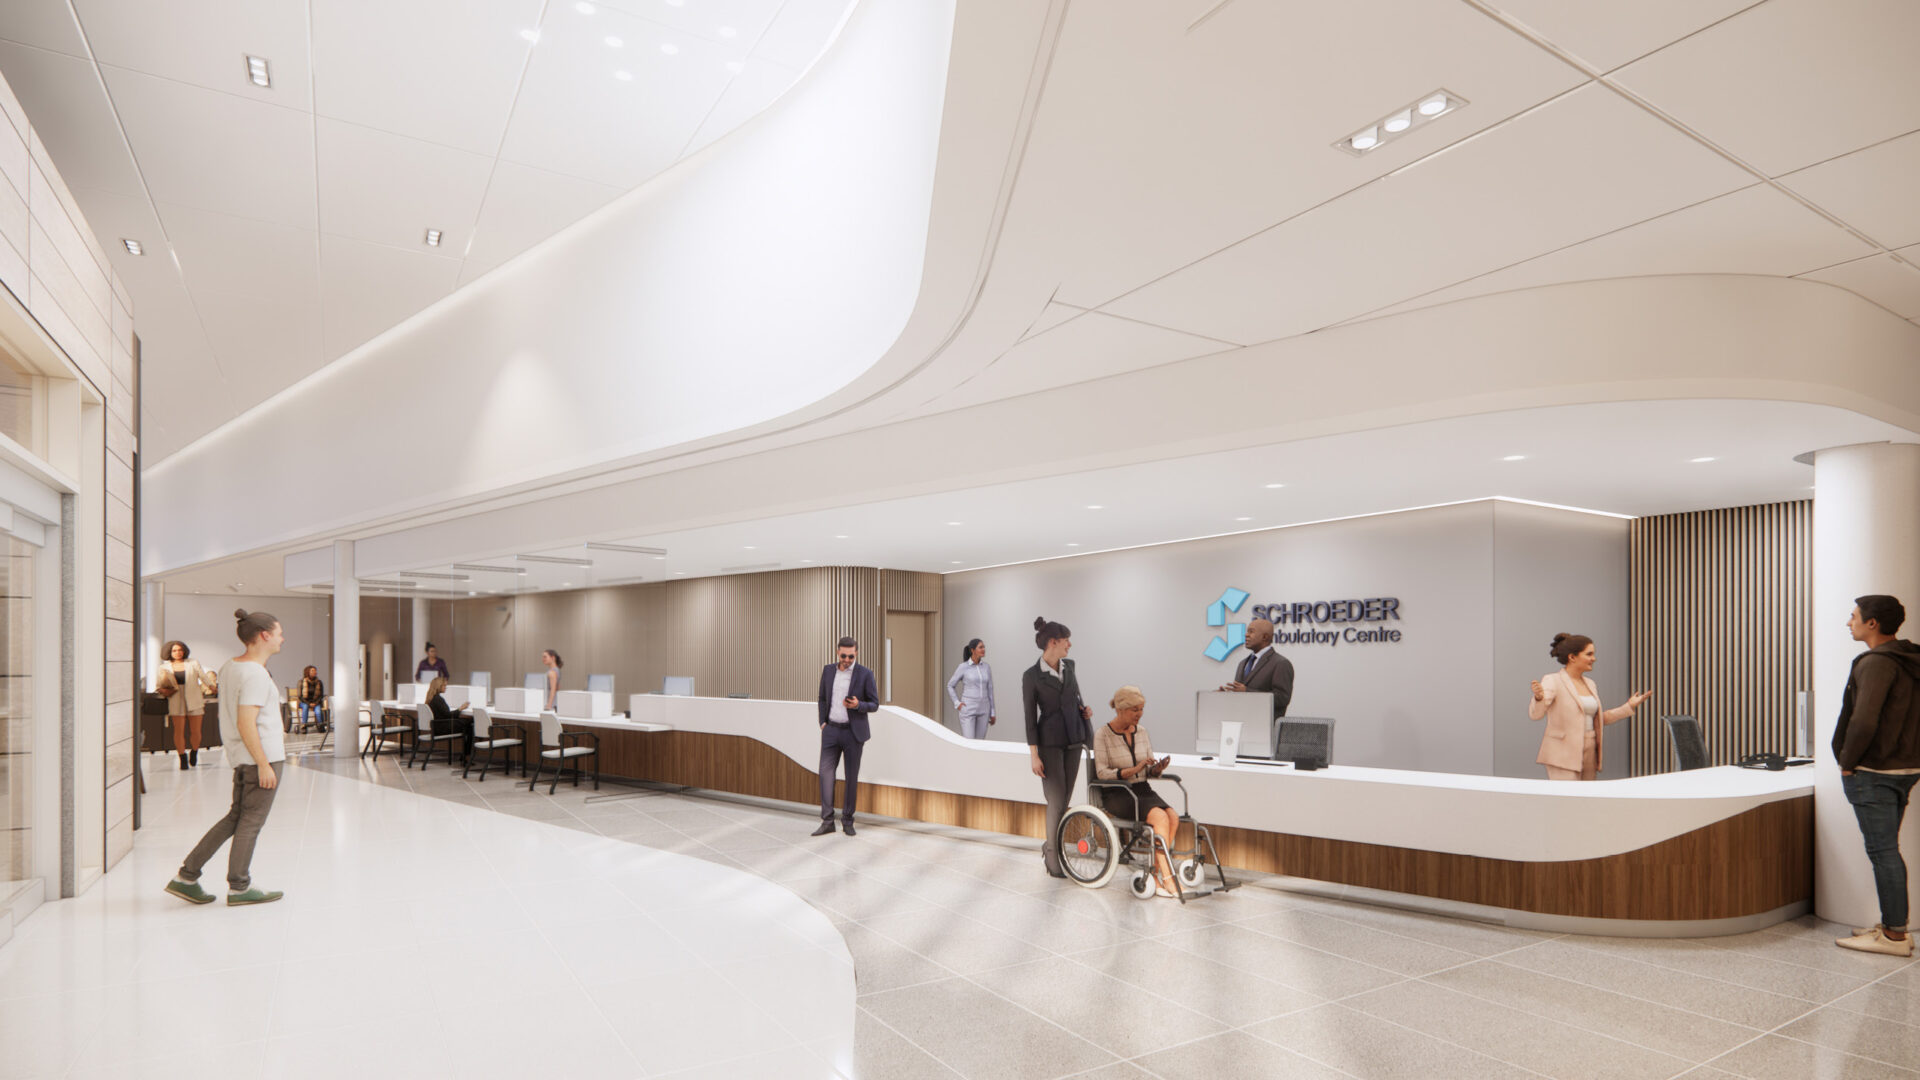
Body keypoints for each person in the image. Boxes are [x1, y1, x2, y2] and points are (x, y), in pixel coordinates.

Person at [163, 609, 288, 907]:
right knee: (251, 822)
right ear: (264, 635)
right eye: (279, 632)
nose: (283, 638)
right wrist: (262, 764)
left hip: (241, 756)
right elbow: (247, 721)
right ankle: (240, 886)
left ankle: (186, 876)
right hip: (260, 757)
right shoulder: (255, 673)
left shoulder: (231, 667)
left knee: (236, 817)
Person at [1833, 594, 1920, 958]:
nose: (1848, 622)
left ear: (1872, 623)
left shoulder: (1875, 663)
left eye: (1853, 617)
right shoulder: (1909, 660)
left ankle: (1894, 935)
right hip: (1904, 769)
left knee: (1883, 852)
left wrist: (1847, 762)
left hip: (1873, 771)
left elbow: (1864, 719)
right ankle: (1891, 926)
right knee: (1888, 850)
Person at [1092, 686, 1179, 897]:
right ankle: (1168, 879)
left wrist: (1156, 769)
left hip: (1142, 789)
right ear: (1120, 709)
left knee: (1173, 817)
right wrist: (1135, 769)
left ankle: (1158, 874)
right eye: (1134, 710)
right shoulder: (1103, 734)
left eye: (1141, 709)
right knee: (1160, 817)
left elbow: (1147, 769)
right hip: (1118, 792)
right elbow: (1102, 773)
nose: (1139, 714)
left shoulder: (1142, 732)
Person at [1528, 633, 1651, 781]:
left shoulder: (1590, 684)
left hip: (1590, 751)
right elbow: (1535, 715)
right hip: (1562, 754)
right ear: (1572, 657)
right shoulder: (1553, 680)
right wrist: (1539, 698)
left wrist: (1628, 706)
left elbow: (1598, 720)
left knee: (1586, 799)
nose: (1594, 658)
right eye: (1589, 654)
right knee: (1568, 800)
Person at [1023, 616, 1092, 878]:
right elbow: (1030, 718)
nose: (1069, 645)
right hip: (1049, 744)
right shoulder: (1031, 676)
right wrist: (1034, 755)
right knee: (1055, 801)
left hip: (1074, 739)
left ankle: (1051, 845)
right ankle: (1053, 857)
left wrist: (1083, 711)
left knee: (1064, 801)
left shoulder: (1070, 666)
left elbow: (1073, 698)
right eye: (1066, 641)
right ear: (1053, 642)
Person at [815, 637, 878, 836]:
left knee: (851, 778)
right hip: (831, 730)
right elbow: (822, 698)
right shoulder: (828, 670)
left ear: (856, 653)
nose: (847, 659)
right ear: (837, 652)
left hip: (853, 732)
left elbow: (874, 704)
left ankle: (848, 821)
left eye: (851, 656)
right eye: (844, 655)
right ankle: (827, 821)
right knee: (825, 775)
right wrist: (822, 723)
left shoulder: (865, 674)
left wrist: (858, 705)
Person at [1218, 618, 1295, 718]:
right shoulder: (1243, 663)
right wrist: (1227, 695)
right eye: (1247, 631)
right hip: (1242, 724)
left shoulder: (1281, 663)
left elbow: (1282, 698)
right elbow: (1241, 695)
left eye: (1251, 632)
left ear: (1265, 637)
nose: (1246, 635)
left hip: (1265, 727)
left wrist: (1247, 691)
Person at [157, 640, 212, 770]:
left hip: (194, 699)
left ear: (184, 651)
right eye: (174, 650)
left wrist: (211, 686)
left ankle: (194, 751)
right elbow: (159, 686)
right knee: (178, 731)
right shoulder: (163, 667)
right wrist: (163, 690)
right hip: (176, 700)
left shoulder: (193, 663)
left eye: (180, 650)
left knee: (196, 731)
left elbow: (203, 677)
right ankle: (182, 758)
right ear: (169, 652)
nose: (178, 653)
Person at [947, 638, 997, 739]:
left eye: (984, 647)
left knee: (979, 744)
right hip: (968, 708)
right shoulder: (963, 667)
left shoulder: (986, 667)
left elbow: (990, 690)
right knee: (969, 744)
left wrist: (992, 711)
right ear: (972, 650)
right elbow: (950, 685)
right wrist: (957, 703)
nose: (983, 649)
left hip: (984, 709)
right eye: (980, 647)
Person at [296, 665, 326, 731]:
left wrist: (315, 703)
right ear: (307, 672)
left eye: (315, 671)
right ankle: (304, 726)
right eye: (313, 671)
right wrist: (309, 703)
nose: (315, 672)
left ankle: (320, 725)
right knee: (306, 707)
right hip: (304, 702)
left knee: (318, 711)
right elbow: (300, 696)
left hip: (315, 702)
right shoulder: (301, 682)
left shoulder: (319, 682)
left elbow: (321, 695)